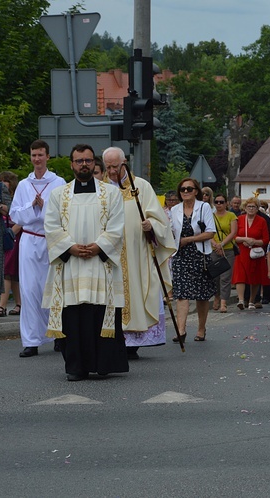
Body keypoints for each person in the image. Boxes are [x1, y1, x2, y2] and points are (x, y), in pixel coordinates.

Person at [42, 143, 127, 381]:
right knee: (73, 317)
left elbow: (117, 225)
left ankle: (101, 365)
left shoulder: (110, 193)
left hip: (100, 264)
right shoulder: (58, 195)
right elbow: (50, 226)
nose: (84, 165)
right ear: (72, 164)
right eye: (79, 161)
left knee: (97, 314)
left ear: (94, 163)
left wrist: (99, 246)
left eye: (88, 160)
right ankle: (75, 367)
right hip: (70, 266)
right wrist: (70, 248)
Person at [103, 147, 176, 360]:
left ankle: (133, 342)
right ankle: (113, 339)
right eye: (108, 167)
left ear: (124, 163)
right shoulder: (102, 189)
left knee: (137, 291)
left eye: (115, 166)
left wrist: (151, 225)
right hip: (110, 253)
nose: (112, 171)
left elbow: (160, 221)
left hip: (137, 254)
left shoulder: (141, 187)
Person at [11, 139, 66, 357]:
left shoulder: (58, 182)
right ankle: (31, 340)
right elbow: (15, 214)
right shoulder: (24, 185)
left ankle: (58, 334)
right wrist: (32, 205)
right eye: (34, 155)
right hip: (29, 240)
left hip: (51, 240)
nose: (37, 159)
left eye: (41, 155)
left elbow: (64, 211)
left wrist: (46, 209)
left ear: (47, 157)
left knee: (53, 288)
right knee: (29, 289)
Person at [169, 178, 216, 342]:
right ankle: (181, 330)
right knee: (181, 293)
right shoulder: (174, 210)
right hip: (180, 256)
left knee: (201, 295)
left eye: (189, 189)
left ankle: (201, 329)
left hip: (200, 255)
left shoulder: (204, 208)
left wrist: (188, 239)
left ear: (196, 191)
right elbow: (170, 232)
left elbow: (210, 232)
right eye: (183, 189)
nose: (186, 192)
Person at [232, 197, 270, 310]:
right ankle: (241, 300)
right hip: (242, 251)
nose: (251, 209)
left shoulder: (262, 221)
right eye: (249, 206)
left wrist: (255, 241)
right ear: (245, 207)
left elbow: (266, 239)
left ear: (258, 208)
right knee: (240, 275)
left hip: (255, 252)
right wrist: (243, 239)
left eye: (254, 206)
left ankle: (252, 300)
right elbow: (234, 236)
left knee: (255, 277)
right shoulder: (240, 219)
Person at [211, 193, 238, 313]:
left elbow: (233, 232)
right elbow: (207, 231)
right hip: (213, 249)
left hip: (227, 249)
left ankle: (223, 302)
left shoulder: (231, 216)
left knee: (226, 277)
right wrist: (215, 244)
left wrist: (222, 244)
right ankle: (216, 296)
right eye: (216, 202)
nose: (218, 204)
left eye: (221, 202)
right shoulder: (211, 216)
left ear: (226, 203)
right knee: (215, 276)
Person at [0, 171, 20, 317]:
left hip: (12, 237)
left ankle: (2, 306)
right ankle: (19, 303)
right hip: (7, 237)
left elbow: (18, 217)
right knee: (12, 275)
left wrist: (10, 234)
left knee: (7, 272)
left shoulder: (15, 198)